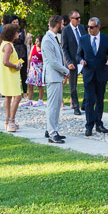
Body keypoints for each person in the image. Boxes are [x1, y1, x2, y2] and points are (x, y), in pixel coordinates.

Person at [77, 17, 108, 136]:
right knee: (89, 100)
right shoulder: (83, 39)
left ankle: (99, 123)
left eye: (92, 27)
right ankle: (89, 126)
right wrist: (81, 60)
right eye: (88, 27)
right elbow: (78, 55)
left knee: (99, 100)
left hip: (101, 74)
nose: (89, 29)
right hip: (88, 74)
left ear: (98, 27)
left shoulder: (106, 39)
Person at [42, 15, 68, 144]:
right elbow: (53, 62)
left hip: (57, 76)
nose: (63, 26)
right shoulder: (47, 39)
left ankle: (52, 129)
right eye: (62, 24)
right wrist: (66, 70)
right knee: (52, 106)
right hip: (52, 77)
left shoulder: (53, 38)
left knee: (57, 105)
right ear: (57, 24)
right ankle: (52, 133)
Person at [0, 23, 24, 132]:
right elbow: (5, 62)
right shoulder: (8, 45)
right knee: (17, 97)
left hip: (6, 74)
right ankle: (11, 121)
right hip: (10, 75)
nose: (19, 33)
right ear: (12, 34)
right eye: (17, 32)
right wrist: (16, 66)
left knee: (8, 97)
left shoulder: (4, 43)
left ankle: (7, 121)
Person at [61, 10, 85, 116]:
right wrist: (69, 62)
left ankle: (85, 103)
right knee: (73, 86)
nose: (79, 20)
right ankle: (75, 106)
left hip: (83, 60)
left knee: (89, 83)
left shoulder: (82, 28)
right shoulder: (66, 30)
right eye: (77, 18)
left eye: (79, 17)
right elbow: (64, 48)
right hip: (72, 61)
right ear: (71, 19)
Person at [24, 35, 45, 105]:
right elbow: (29, 58)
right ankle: (30, 100)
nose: (36, 43)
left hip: (39, 69)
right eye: (35, 41)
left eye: (38, 41)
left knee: (40, 85)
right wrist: (28, 67)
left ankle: (40, 100)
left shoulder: (44, 49)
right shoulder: (33, 47)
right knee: (30, 84)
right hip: (32, 69)